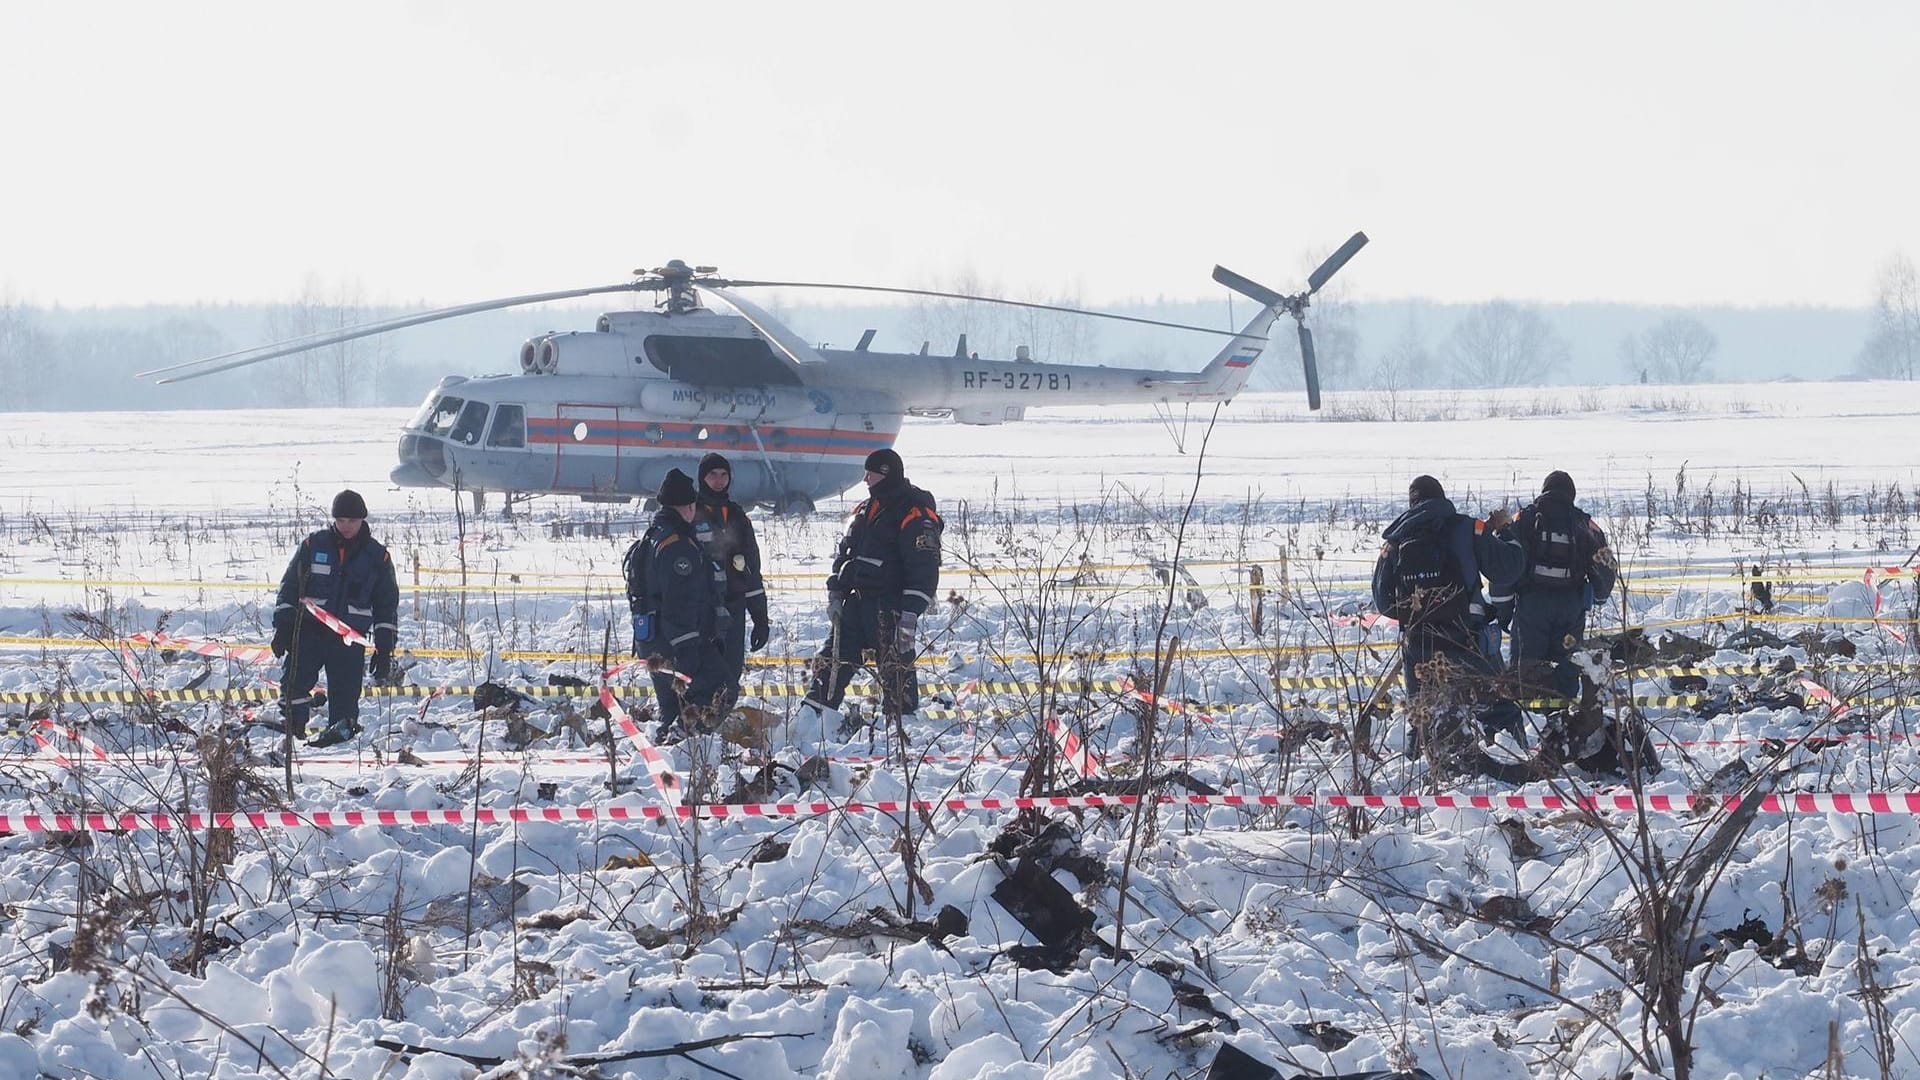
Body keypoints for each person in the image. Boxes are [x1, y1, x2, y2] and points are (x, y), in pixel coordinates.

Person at [1372, 475, 1525, 768]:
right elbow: (1509, 569)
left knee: (1422, 715)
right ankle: (1518, 762)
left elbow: (1383, 601)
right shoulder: (1469, 528)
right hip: (1470, 641)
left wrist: (1417, 613)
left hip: (1420, 648)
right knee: (1498, 708)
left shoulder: (1395, 540)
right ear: (1443, 499)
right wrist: (1506, 532)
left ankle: (1418, 775)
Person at [801, 448, 943, 723]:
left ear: (886, 475)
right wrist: (836, 591)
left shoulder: (914, 512)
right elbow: (845, 555)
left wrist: (910, 612)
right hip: (856, 603)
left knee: (896, 670)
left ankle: (901, 728)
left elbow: (924, 569)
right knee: (832, 661)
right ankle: (811, 721)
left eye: (871, 474)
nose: (865, 479)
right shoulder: (865, 509)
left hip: (893, 608)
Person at [270, 489, 400, 747]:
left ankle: (339, 747)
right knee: (293, 687)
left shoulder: (378, 557)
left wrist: (384, 649)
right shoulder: (313, 545)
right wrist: (283, 628)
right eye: (340, 521)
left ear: (362, 520)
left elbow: (386, 605)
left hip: (348, 642)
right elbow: (290, 587)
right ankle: (292, 738)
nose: (346, 526)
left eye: (351, 521)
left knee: (345, 699)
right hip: (308, 634)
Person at [623, 468, 729, 737]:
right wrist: (687, 648)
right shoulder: (677, 545)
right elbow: (679, 602)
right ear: (689, 506)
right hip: (674, 641)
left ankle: (671, 755)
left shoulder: (653, 537)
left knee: (671, 706)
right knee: (717, 685)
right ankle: (683, 743)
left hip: (651, 639)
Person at [1501, 470, 1617, 700]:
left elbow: (1504, 566)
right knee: (1567, 665)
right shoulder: (1585, 524)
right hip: (1570, 607)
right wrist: (1599, 597)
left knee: (1526, 670)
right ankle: (1563, 716)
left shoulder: (1523, 519)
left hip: (1531, 606)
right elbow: (1606, 568)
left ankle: (1529, 719)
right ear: (1571, 495)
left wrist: (1504, 611)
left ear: (1544, 491)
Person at [692, 452, 770, 702]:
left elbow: (751, 571)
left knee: (731, 673)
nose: (719, 480)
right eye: (713, 475)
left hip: (733, 606)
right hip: (701, 610)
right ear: (702, 478)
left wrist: (760, 618)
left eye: (724, 475)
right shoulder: (691, 514)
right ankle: (694, 729)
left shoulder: (737, 515)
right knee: (702, 673)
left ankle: (716, 727)